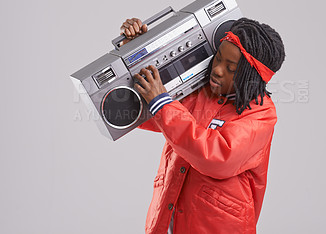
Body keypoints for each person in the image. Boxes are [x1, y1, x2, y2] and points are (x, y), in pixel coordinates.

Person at [120, 16, 285, 233]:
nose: (217, 70)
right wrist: (137, 53)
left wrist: (162, 103)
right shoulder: (202, 93)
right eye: (218, 58)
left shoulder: (261, 114)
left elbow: (216, 157)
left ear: (252, 76)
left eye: (231, 68)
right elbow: (151, 114)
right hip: (170, 219)